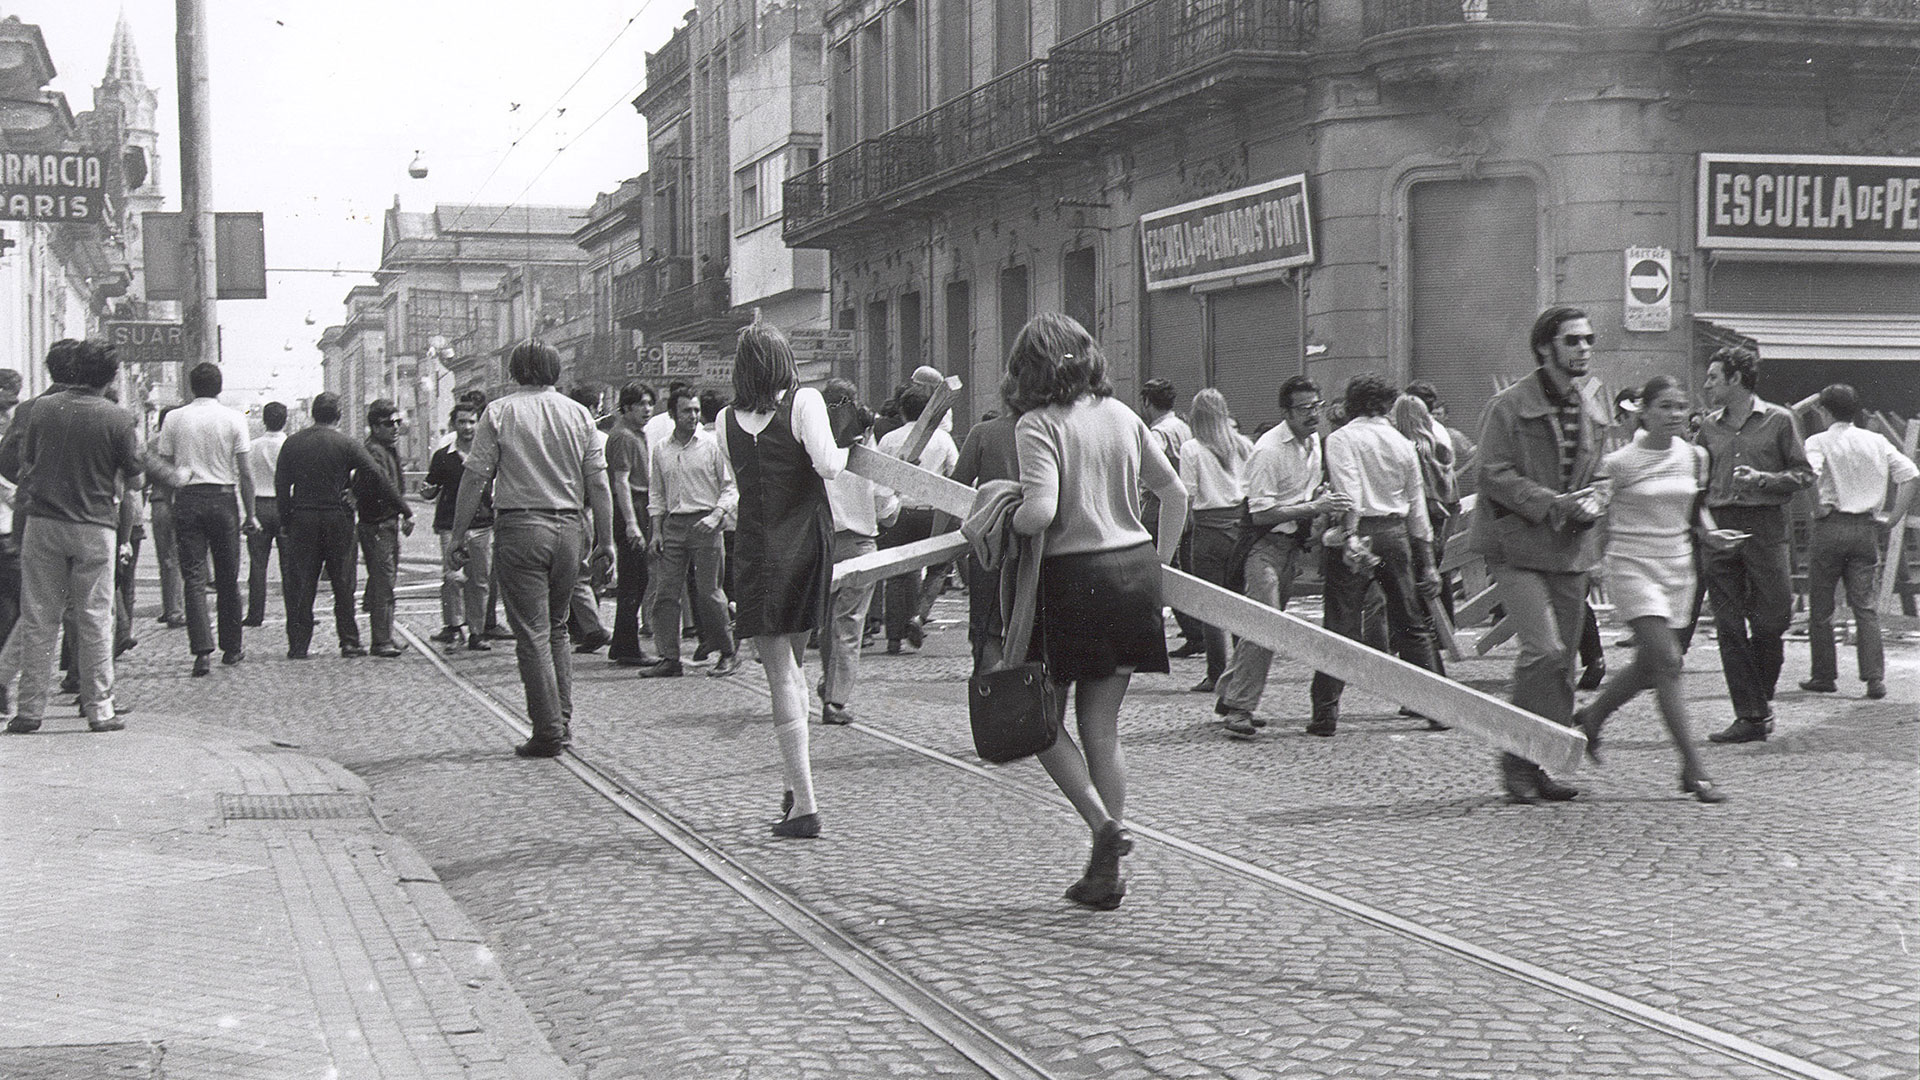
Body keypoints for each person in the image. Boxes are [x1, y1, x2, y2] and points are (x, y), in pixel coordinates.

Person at [1009, 313, 1186, 910]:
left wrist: (993, 518)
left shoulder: (1038, 423)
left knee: (1038, 722)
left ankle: (1102, 826)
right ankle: (1104, 872)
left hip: (1073, 579)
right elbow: (1175, 494)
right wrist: (1158, 566)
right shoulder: (1125, 417)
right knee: (1102, 728)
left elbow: (1039, 511)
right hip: (1134, 573)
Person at [1573, 376, 1744, 804]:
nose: (1675, 414)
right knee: (1668, 661)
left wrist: (1712, 535)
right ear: (1642, 411)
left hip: (1678, 568)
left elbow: (1696, 507)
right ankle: (1693, 768)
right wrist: (1593, 559)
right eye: (1665, 406)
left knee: (1652, 665)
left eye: (1681, 406)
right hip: (1631, 565)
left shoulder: (1696, 455)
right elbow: (1595, 513)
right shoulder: (1619, 462)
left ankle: (1592, 717)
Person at [448, 341, 616, 758]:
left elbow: (474, 479)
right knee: (558, 628)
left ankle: (547, 732)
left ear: (515, 370)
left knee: (532, 633)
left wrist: (457, 535)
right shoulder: (579, 414)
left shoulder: (501, 411)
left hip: (521, 527)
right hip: (570, 528)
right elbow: (598, 484)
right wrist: (605, 541)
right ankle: (562, 722)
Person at [1471, 306, 1611, 803]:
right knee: (1544, 651)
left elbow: (1598, 473)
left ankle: (1542, 763)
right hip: (1516, 547)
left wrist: (1596, 500)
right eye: (1573, 340)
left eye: (1589, 340)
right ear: (1545, 347)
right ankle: (1514, 761)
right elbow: (1491, 473)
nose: (1584, 348)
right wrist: (1552, 502)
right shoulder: (1509, 405)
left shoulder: (1592, 407)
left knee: (1564, 665)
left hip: (1571, 548)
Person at [718, 323, 850, 839]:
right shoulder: (806, 403)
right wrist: (844, 448)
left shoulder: (726, 418)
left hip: (756, 544)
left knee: (782, 675)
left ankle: (804, 805)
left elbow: (738, 478)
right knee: (793, 667)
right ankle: (797, 792)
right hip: (806, 542)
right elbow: (829, 467)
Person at [2, 340, 145, 734]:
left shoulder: (43, 409)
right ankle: (100, 708)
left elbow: (27, 462)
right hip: (95, 526)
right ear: (110, 377)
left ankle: (29, 711)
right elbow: (133, 478)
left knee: (38, 619)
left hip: (44, 524)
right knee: (96, 617)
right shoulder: (118, 417)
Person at [1307, 373, 1443, 736]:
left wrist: (1348, 536)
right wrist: (1427, 563)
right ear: (1386, 405)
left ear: (1352, 404)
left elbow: (1348, 492)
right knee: (1411, 621)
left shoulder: (1340, 439)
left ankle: (1326, 713)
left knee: (1341, 624)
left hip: (1359, 532)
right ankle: (1437, 708)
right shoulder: (1403, 443)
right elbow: (1417, 508)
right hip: (1396, 535)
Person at [1215, 376, 1351, 738]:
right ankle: (1240, 710)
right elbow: (1260, 514)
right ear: (1286, 413)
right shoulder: (1268, 450)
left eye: (1316, 406)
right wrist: (1313, 506)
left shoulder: (1313, 446)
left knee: (1261, 623)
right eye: (1304, 409)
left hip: (1290, 547)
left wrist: (1318, 498)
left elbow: (1304, 495)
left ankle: (1230, 694)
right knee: (1265, 625)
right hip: (1262, 546)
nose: (1313, 415)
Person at [1696, 345, 1813, 743]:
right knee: (1728, 625)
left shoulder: (1780, 421)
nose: (1707, 384)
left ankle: (1760, 699)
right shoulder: (1707, 427)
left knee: (1772, 620)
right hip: (1720, 528)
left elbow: (1804, 475)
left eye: (1714, 377)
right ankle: (1749, 715)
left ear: (1735, 379)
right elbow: (1697, 483)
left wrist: (1763, 479)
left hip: (1765, 527)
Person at [1800, 383, 1916, 700]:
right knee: (1865, 607)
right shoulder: (1877, 441)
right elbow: (1911, 475)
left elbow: (1809, 474)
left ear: (1824, 411)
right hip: (1866, 527)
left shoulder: (1818, 441)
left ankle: (1824, 674)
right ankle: (1874, 678)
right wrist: (1893, 518)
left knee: (1822, 606)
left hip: (1830, 526)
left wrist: (1816, 507)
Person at [152, 361, 258, 677]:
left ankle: (201, 652)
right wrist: (250, 514)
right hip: (224, 499)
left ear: (191, 386)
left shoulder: (174, 418)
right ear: (220, 387)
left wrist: (171, 505)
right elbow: (246, 472)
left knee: (194, 577)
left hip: (188, 498)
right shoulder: (235, 419)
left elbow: (165, 467)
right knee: (227, 577)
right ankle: (232, 647)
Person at [276, 394, 399, 658]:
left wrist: (287, 520)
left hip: (303, 517)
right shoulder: (346, 443)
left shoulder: (293, 443)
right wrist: (354, 493)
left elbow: (281, 485)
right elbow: (375, 473)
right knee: (343, 582)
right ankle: (349, 641)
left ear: (313, 413)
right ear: (339, 414)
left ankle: (298, 644)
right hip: (338, 518)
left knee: (302, 583)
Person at [638, 387, 738, 678]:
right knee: (666, 593)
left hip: (706, 524)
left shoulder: (712, 445)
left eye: (695, 410)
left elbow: (730, 488)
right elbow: (656, 495)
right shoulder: (661, 449)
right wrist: (656, 532)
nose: (692, 416)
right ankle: (669, 657)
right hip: (673, 526)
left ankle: (728, 653)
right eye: (686, 411)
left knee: (709, 593)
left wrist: (717, 515)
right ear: (672, 414)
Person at [817, 378, 898, 723]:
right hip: (861, 544)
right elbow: (886, 511)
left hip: (822, 544)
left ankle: (829, 683)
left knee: (826, 622)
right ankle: (835, 701)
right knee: (848, 624)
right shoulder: (869, 453)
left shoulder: (815, 450)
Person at [874, 385, 959, 653]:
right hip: (933, 514)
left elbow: (880, 476)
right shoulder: (943, 439)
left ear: (901, 410)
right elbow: (955, 473)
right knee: (938, 568)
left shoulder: (888, 439)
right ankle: (919, 616)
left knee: (897, 572)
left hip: (899, 511)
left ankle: (893, 638)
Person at [1178, 389, 1251, 694]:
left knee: (1210, 607)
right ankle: (1242, 673)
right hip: (1240, 527)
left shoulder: (1192, 449)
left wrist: (1182, 533)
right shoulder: (1245, 445)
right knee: (1239, 605)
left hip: (1207, 531)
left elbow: (1188, 494)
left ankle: (1215, 672)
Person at [952, 377, 1023, 673]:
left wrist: (943, 543)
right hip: (1043, 545)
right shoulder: (1055, 433)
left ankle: (993, 700)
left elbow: (953, 490)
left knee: (986, 628)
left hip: (990, 546)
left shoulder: (982, 433)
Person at [422, 400, 494, 651]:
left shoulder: (487, 452)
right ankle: (453, 626)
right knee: (452, 577)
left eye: (472, 421)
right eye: (462, 422)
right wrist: (428, 491)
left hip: (482, 523)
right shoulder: (443, 457)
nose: (467, 427)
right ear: (454, 424)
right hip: (450, 524)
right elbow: (431, 487)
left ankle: (477, 631)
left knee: (479, 579)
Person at [1140, 377, 1204, 658]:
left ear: (1146, 402)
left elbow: (1149, 471)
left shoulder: (1157, 433)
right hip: (1188, 504)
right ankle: (1194, 630)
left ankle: (1187, 632)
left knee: (1155, 568)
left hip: (1161, 503)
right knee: (1182, 568)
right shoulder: (1184, 427)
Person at [354, 399, 416, 658]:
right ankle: (381, 640)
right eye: (388, 424)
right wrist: (406, 510)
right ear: (374, 427)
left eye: (397, 423)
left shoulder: (386, 448)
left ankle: (386, 633)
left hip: (385, 522)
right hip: (378, 522)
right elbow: (384, 484)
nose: (395, 428)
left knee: (384, 580)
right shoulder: (375, 451)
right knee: (383, 582)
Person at [603, 381, 656, 666]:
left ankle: (623, 643)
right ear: (626, 407)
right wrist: (631, 523)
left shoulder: (635, 433)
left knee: (637, 578)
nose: (648, 409)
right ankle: (626, 646)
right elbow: (621, 481)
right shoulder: (623, 436)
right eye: (641, 404)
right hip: (632, 506)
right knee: (633, 579)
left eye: (650, 403)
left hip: (641, 504)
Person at [563, 386, 613, 654]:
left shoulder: (565, 436)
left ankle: (590, 628)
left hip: (574, 510)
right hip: (586, 511)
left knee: (577, 574)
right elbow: (603, 484)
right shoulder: (597, 438)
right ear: (592, 409)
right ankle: (588, 627)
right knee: (582, 573)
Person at [243, 402, 289, 628]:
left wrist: (247, 512)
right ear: (285, 420)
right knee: (289, 564)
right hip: (284, 506)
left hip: (259, 505)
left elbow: (246, 478)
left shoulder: (253, 446)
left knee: (258, 564)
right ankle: (295, 611)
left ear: (264, 420)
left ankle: (255, 613)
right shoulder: (290, 445)